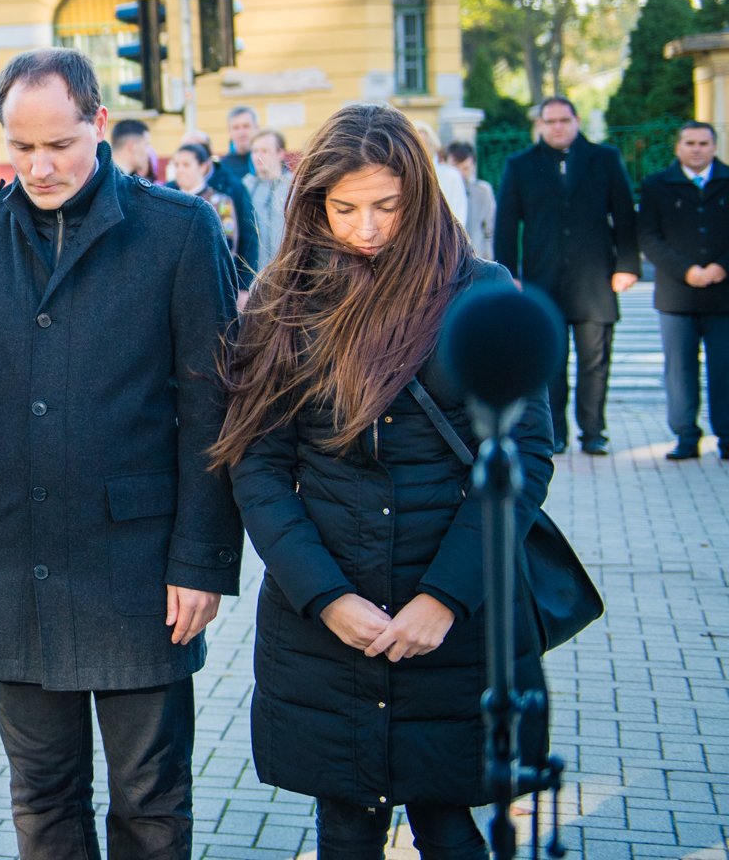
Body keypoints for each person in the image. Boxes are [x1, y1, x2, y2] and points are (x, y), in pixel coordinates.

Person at [0, 47, 242, 860]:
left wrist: (201, 561)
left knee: (151, 800)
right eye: (21, 147)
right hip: (9, 559)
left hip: (138, 567)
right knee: (44, 797)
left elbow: (212, 409)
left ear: (98, 123)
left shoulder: (178, 230)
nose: (39, 165)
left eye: (57, 144)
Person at [213, 102, 554, 860]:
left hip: (453, 613)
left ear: (422, 198)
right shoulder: (285, 301)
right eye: (345, 209)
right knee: (346, 824)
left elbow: (522, 461)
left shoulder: (483, 292)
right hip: (328, 618)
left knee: (446, 820)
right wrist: (326, 597)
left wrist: (444, 598)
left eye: (386, 207)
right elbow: (259, 467)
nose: (365, 228)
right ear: (315, 205)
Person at [495, 96, 640, 455]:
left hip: (595, 279)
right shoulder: (520, 165)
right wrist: (508, 273)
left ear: (576, 121)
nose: (557, 127)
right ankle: (554, 433)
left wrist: (628, 266)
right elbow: (506, 224)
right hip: (542, 281)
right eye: (550, 121)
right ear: (540, 125)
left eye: (564, 120)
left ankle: (593, 432)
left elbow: (624, 214)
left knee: (594, 361)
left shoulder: (604, 159)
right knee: (550, 363)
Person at [638, 121, 729, 460]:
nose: (696, 149)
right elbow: (648, 236)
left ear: (714, 147)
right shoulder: (657, 186)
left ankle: (728, 436)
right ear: (678, 148)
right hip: (677, 295)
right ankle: (686, 437)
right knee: (679, 370)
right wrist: (687, 270)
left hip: (724, 295)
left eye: (704, 143)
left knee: (725, 369)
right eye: (689, 142)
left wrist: (722, 266)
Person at [172, 142, 258, 283]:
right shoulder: (169, 199)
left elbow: (228, 246)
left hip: (210, 281)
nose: (180, 170)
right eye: (176, 165)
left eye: (186, 165)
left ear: (202, 167)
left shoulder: (220, 202)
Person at [244, 128, 293, 273]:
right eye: (254, 151)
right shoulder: (244, 187)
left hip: (288, 275)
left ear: (280, 154)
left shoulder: (295, 187)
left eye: (264, 151)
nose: (258, 156)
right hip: (253, 276)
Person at [445, 141, 495, 260]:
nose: (461, 174)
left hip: (477, 259)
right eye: (455, 168)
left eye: (466, 168)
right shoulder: (439, 190)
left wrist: (488, 260)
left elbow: (490, 229)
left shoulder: (482, 191)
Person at [412, 120, 468, 225]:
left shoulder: (451, 176)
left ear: (433, 145)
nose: (421, 148)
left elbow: (459, 216)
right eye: (416, 143)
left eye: (425, 143)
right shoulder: (402, 177)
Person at [216, 105, 258, 183]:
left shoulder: (269, 161)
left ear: (256, 128)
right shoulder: (222, 168)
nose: (241, 133)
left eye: (246, 126)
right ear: (229, 132)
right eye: (236, 128)